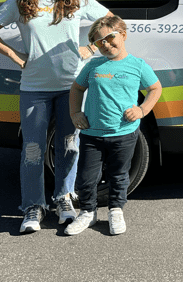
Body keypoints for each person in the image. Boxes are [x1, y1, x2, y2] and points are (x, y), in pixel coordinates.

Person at [0, 0, 111, 234]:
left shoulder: (76, 0)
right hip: (34, 88)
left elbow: (112, 25)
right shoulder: (22, 1)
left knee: (67, 146)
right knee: (33, 149)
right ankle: (33, 206)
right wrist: (16, 56)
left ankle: (63, 199)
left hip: (71, 88)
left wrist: (90, 48)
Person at [65, 15, 162, 236]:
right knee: (86, 177)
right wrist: (75, 113)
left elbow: (155, 88)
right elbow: (76, 89)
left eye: (110, 38)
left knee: (119, 175)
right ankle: (87, 213)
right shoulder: (94, 65)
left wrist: (142, 110)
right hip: (91, 134)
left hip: (124, 134)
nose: (106, 44)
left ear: (123, 35)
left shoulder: (137, 65)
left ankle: (116, 210)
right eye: (100, 42)